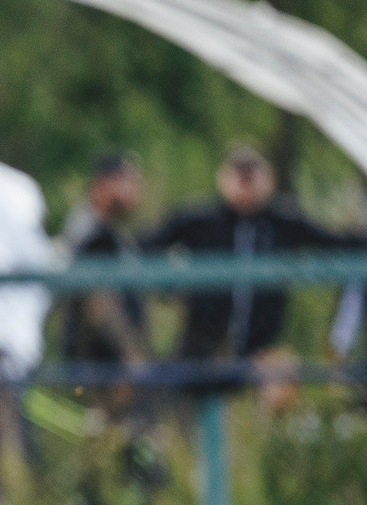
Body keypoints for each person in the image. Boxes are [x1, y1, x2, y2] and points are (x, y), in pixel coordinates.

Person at [141, 145, 358, 365]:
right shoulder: (198, 220)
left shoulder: (284, 222)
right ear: (222, 179)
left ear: (268, 179)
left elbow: (335, 242)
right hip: (201, 347)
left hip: (260, 349)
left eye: (252, 176)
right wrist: (171, 282)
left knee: (280, 372)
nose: (246, 184)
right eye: (239, 175)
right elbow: (145, 246)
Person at [58, 153, 149, 370]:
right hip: (102, 368)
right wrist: (133, 357)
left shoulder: (110, 231)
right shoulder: (90, 233)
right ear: (104, 183)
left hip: (112, 366)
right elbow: (96, 303)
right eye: (128, 180)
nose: (135, 188)